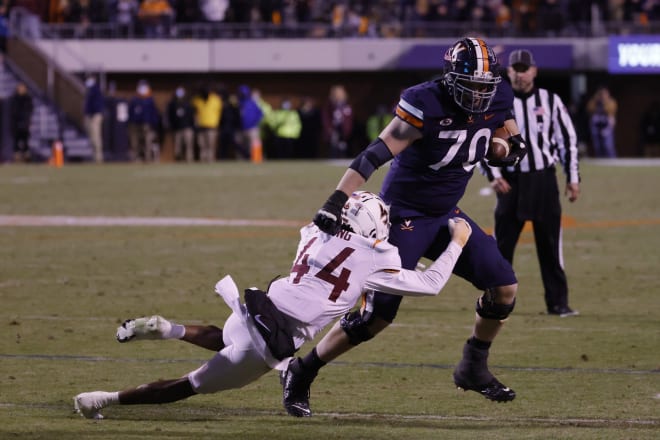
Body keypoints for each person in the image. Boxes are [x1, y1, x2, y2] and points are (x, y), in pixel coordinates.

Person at [281, 37, 528, 417]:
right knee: (376, 316)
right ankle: (302, 369)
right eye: (472, 89)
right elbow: (376, 152)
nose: (479, 97)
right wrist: (336, 199)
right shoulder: (425, 101)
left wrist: (504, 148)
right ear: (451, 80)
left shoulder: (496, 96)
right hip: (404, 215)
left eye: (485, 89)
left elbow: (510, 137)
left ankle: (473, 365)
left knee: (504, 287)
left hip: (448, 213)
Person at [73, 191, 473, 420]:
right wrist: (457, 241)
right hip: (271, 339)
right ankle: (103, 399)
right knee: (185, 387)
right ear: (372, 228)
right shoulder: (377, 258)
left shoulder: (314, 233)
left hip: (256, 307)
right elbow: (431, 283)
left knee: (225, 338)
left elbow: (338, 252)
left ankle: (166, 329)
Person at [481, 49, 581, 317]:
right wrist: (494, 175)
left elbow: (567, 140)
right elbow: (480, 138)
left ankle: (558, 303)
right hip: (511, 182)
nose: (520, 73)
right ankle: (494, 301)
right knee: (502, 248)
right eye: (515, 68)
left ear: (534, 71)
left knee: (550, 246)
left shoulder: (550, 100)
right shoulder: (497, 101)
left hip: (543, 180)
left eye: (525, 68)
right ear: (509, 71)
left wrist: (572, 177)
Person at [128, 79, 160, 162]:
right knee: (135, 142)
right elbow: (130, 112)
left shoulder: (150, 100)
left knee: (147, 142)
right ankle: (135, 158)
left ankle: (148, 158)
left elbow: (154, 113)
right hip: (135, 124)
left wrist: (154, 125)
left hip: (147, 124)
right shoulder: (134, 100)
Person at [191, 83, 222, 163]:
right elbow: (194, 112)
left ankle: (211, 159)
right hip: (200, 125)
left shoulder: (216, 99)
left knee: (211, 144)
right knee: (201, 144)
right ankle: (203, 159)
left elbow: (220, 112)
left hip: (212, 125)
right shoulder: (196, 100)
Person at [166, 85, 195, 162]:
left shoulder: (188, 104)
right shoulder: (172, 104)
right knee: (177, 147)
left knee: (188, 145)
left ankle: (189, 160)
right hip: (177, 129)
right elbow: (170, 116)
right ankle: (178, 161)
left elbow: (192, 116)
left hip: (187, 128)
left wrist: (193, 126)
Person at [322, 84, 353, 158]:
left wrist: (347, 129)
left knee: (343, 145)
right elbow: (326, 117)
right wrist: (329, 128)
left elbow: (349, 118)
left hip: (343, 129)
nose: (339, 95)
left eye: (341, 93)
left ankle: (342, 158)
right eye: (337, 93)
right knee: (334, 145)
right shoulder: (330, 105)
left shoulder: (346, 104)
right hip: (334, 128)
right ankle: (334, 158)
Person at [586, 86, 617, 158]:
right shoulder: (594, 102)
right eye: (601, 94)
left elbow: (611, 111)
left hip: (606, 126)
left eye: (604, 94)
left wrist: (605, 102)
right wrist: (596, 99)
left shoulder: (610, 102)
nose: (603, 96)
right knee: (598, 146)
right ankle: (600, 161)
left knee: (608, 146)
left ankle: (612, 160)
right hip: (596, 126)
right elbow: (589, 109)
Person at [83, 74, 105, 163]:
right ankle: (94, 156)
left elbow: (97, 104)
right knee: (91, 137)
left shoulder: (96, 90)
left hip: (95, 115)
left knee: (96, 136)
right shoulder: (89, 90)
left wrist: (93, 113)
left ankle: (98, 157)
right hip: (90, 115)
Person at [9, 81, 33, 163]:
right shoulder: (15, 99)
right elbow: (13, 112)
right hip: (16, 124)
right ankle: (17, 158)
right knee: (16, 142)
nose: (21, 89)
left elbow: (29, 111)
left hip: (25, 124)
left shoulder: (28, 99)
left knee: (25, 142)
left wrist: (28, 122)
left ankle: (27, 158)